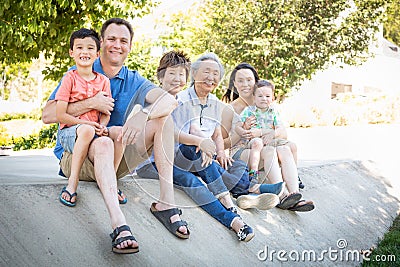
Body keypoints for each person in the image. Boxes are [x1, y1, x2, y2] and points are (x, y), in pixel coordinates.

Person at [42, 18, 189, 254]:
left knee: (164, 120)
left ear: (130, 46)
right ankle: (119, 225)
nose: (116, 45)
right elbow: (48, 115)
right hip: (78, 158)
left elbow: (169, 100)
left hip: (114, 156)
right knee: (103, 143)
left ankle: (166, 203)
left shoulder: (133, 79)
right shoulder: (80, 70)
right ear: (101, 43)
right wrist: (91, 103)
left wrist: (144, 115)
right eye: (111, 39)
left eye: (123, 41)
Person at [136, 50, 269, 242]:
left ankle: (234, 203)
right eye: (171, 74)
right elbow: (170, 133)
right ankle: (233, 218)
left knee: (214, 163)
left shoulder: (181, 100)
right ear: (161, 76)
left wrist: (208, 147)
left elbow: (195, 131)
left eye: (181, 74)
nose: (177, 79)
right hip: (153, 163)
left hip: (177, 158)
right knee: (193, 180)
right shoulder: (163, 99)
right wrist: (201, 143)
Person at [221, 63, 314, 212]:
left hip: (263, 147)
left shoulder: (264, 102)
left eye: (249, 80)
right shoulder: (230, 109)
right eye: (240, 80)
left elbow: (282, 131)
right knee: (270, 151)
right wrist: (240, 132)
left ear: (255, 82)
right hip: (241, 152)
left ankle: (294, 193)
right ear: (234, 84)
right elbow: (221, 144)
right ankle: (282, 195)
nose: (245, 84)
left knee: (286, 147)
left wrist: (264, 131)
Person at [56, 28, 125, 208]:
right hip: (70, 133)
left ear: (97, 53)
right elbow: (60, 114)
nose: (84, 52)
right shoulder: (69, 78)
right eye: (79, 48)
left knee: (119, 133)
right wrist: (87, 124)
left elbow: (106, 113)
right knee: (86, 130)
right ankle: (72, 183)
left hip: (93, 130)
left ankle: (112, 181)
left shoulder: (103, 81)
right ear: (72, 53)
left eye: (89, 48)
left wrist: (102, 126)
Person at [235, 79, 291, 181]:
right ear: (254, 97)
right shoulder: (248, 111)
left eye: (267, 96)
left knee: (289, 146)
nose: (264, 99)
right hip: (254, 139)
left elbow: (279, 128)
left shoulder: (273, 112)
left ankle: (291, 176)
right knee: (257, 142)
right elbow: (237, 126)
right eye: (260, 96)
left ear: (272, 98)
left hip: (269, 139)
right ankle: (253, 171)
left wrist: (272, 134)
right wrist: (242, 131)